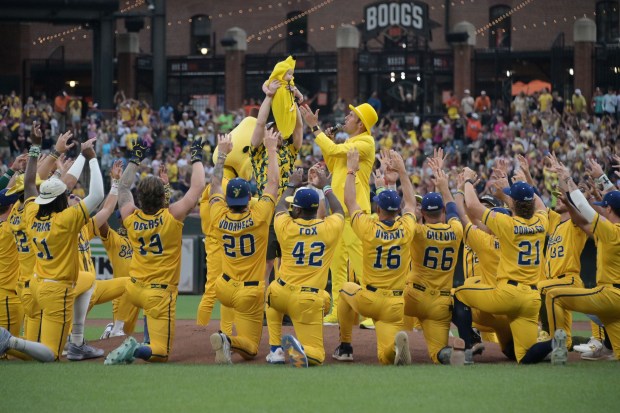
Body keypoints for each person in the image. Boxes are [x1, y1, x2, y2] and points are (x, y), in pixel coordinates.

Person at [105, 136, 205, 364]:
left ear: (140, 198)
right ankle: (134, 348)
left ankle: (140, 338)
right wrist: (197, 155)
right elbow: (197, 187)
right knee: (160, 353)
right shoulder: (171, 216)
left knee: (149, 314)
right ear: (164, 197)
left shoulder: (130, 216)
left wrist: (135, 159)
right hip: (158, 293)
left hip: (134, 288)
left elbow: (122, 187)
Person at [455, 170, 562, 364]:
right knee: (524, 356)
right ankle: (554, 343)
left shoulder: (507, 224)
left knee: (458, 294)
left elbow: (471, 206)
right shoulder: (541, 221)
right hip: (531, 299)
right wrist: (520, 186)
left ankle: (469, 344)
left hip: (508, 294)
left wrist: (468, 181)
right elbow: (540, 205)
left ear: (512, 203)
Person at [23, 122, 104, 360]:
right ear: (60, 199)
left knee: (87, 280)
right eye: (65, 193)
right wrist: (92, 159)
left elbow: (28, 184)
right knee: (51, 354)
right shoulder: (65, 220)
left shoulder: (31, 214)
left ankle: (76, 342)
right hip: (57, 289)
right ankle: (11, 341)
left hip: (38, 283)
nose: (69, 193)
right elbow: (98, 195)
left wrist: (35, 147)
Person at [332, 148, 414, 365]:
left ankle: (346, 346)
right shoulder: (406, 227)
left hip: (369, 299)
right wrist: (403, 173)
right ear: (398, 210)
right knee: (385, 356)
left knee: (345, 289)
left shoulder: (368, 226)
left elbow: (350, 202)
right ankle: (394, 348)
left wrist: (351, 171)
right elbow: (412, 204)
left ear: (378, 208)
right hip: (395, 302)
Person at [299, 102, 377, 326]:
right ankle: (337, 310)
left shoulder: (366, 142)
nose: (347, 117)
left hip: (356, 213)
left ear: (360, 124)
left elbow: (334, 152)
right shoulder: (351, 142)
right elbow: (333, 163)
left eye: (351, 116)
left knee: (361, 265)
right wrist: (328, 141)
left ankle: (371, 313)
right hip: (339, 213)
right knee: (337, 266)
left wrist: (316, 129)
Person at [208, 131, 278, 364]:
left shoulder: (218, 214)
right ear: (250, 198)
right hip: (249, 292)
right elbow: (273, 183)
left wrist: (222, 156)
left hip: (224, 287)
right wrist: (271, 148)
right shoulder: (259, 215)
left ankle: (225, 336)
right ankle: (228, 340)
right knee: (251, 349)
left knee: (231, 303)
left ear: (228, 200)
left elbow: (215, 183)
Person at [265, 167, 344, 367]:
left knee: (270, 293)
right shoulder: (328, 229)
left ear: (298, 210)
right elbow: (340, 211)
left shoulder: (286, 227)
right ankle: (303, 349)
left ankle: (275, 349)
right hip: (307, 300)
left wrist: (292, 183)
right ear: (317, 209)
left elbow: (280, 206)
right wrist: (325, 186)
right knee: (318, 354)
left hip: (281, 293)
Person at [545, 156, 620, 361]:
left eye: (603, 205)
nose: (601, 207)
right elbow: (581, 220)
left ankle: (558, 346)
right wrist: (602, 179)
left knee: (553, 296)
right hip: (613, 302)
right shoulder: (608, 231)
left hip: (610, 296)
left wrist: (567, 178)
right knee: (616, 354)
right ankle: (605, 345)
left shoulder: (612, 231)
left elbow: (585, 208)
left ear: (609, 210)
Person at [403, 151, 466, 365]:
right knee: (438, 352)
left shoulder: (418, 232)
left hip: (413, 298)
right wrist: (444, 185)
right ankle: (451, 354)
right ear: (441, 213)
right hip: (440, 302)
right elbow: (452, 208)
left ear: (423, 214)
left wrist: (402, 173)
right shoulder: (456, 230)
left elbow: (408, 205)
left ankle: (393, 344)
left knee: (388, 306)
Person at [265, 55, 303, 139]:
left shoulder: (290, 84)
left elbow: (295, 89)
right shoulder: (274, 82)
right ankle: (283, 133)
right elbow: (264, 85)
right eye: (289, 74)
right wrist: (268, 92)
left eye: (292, 74)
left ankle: (287, 133)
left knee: (291, 118)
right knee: (281, 117)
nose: (291, 76)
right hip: (279, 105)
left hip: (290, 106)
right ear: (281, 72)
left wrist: (300, 95)